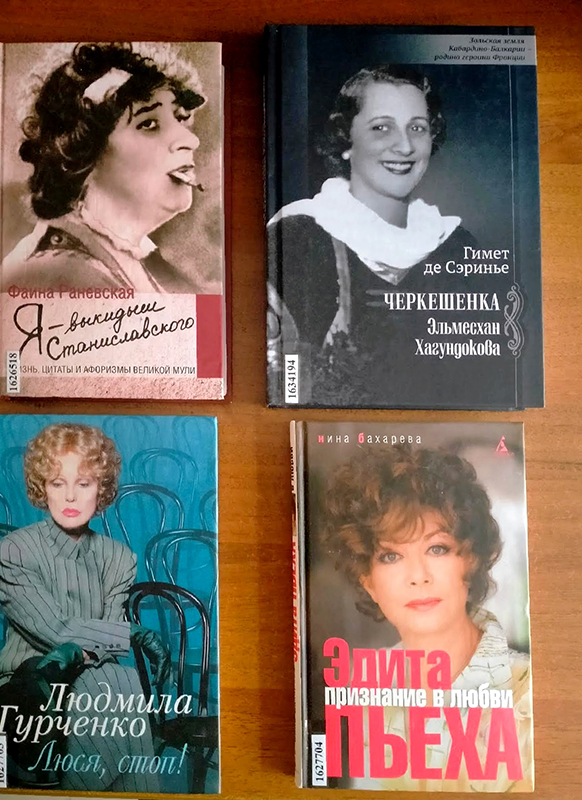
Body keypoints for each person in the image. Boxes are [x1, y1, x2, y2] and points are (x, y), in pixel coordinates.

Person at [267, 65, 502, 407]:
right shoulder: (299, 236)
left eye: (417, 128)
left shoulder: (456, 245)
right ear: (346, 139)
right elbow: (286, 385)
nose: (404, 146)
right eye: (381, 127)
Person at [321, 444, 533, 791]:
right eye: (390, 556)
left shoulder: (527, 694)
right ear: (367, 581)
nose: (418, 576)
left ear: (471, 560)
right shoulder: (363, 687)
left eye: (437, 548)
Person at [0, 423, 169, 792]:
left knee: (114, 680)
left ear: (101, 488)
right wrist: (132, 634)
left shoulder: (119, 557)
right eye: (58, 483)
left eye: (83, 483)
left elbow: (103, 647)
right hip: (27, 685)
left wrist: (96, 645)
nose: (70, 496)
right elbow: (53, 630)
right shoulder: (15, 549)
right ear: (43, 488)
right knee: (119, 682)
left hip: (92, 675)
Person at [0, 43, 207, 293]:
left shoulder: (149, 266)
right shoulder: (55, 271)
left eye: (180, 118)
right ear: (85, 156)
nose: (190, 140)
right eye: (149, 124)